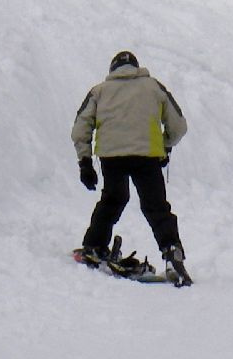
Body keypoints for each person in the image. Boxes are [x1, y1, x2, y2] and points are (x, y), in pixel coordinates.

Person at [72, 50, 190, 280]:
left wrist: (84, 162)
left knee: (113, 199)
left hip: (111, 156)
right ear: (136, 67)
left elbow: (80, 127)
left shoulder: (99, 91)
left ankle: (94, 245)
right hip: (147, 156)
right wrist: (165, 146)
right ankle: (171, 252)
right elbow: (179, 126)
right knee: (156, 206)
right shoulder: (154, 87)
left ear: (112, 70)